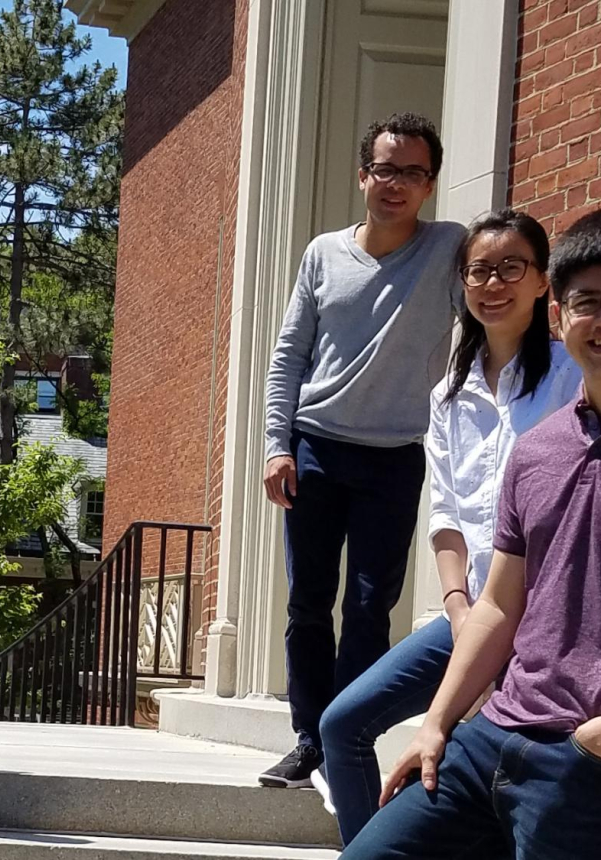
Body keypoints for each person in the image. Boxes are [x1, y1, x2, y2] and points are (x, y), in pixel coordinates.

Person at [343, 207, 601, 859]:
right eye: (587, 302)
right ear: (559, 315)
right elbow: (498, 604)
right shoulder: (536, 449)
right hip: (488, 740)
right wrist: (437, 722)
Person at [314, 209, 581, 845]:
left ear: (543, 281)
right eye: (478, 271)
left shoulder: (576, 378)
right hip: (470, 614)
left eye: (511, 268)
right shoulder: (448, 393)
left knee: (481, 761)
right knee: (341, 724)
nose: (494, 283)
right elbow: (447, 518)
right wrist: (459, 608)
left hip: (547, 625)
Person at [259, 113, 467, 788]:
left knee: (371, 608)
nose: (396, 184)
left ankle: (346, 734)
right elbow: (289, 353)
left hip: (394, 456)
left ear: (430, 185)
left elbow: (501, 297)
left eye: (412, 172)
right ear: (362, 176)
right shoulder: (323, 253)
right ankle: (307, 740)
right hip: (315, 449)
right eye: (385, 168)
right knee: (308, 604)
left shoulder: (449, 249)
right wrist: (275, 444)